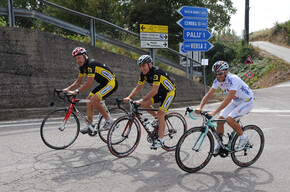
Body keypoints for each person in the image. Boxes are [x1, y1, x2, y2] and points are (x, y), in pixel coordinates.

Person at [195, 61, 254, 154]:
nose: (218, 76)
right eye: (216, 74)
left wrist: (214, 112)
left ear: (226, 71)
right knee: (220, 120)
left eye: (220, 73)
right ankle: (220, 144)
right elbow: (209, 94)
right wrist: (200, 107)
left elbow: (228, 98)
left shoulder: (234, 79)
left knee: (229, 119)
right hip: (236, 101)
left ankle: (244, 139)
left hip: (247, 101)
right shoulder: (217, 81)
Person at [124, 55, 176, 149]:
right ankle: (158, 119)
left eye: (143, 65)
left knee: (160, 114)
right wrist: (129, 97)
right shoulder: (142, 75)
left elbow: (154, 91)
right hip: (160, 93)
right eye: (140, 66)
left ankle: (161, 141)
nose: (142, 68)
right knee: (144, 105)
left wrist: (140, 100)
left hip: (169, 93)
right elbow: (138, 88)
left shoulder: (157, 72)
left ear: (150, 64)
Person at [63, 47, 118, 134]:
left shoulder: (91, 64)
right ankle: (90, 124)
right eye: (76, 59)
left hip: (111, 83)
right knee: (88, 100)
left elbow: (89, 83)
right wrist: (67, 89)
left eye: (79, 58)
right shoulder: (82, 67)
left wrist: (76, 91)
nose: (77, 60)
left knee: (94, 100)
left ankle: (109, 120)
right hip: (103, 84)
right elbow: (79, 81)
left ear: (84, 56)